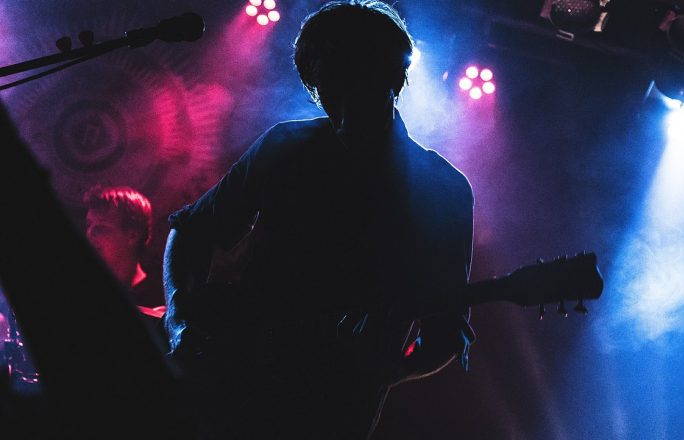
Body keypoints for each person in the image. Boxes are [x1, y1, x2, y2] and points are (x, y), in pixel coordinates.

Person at [163, 1, 475, 438]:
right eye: (325, 82)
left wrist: (381, 371)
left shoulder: (442, 189)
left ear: (393, 74)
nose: (337, 98)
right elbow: (191, 230)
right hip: (226, 393)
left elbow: (443, 335)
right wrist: (179, 323)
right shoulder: (286, 146)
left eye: (353, 76)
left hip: (331, 417)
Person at [84, 186, 165, 313]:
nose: (90, 233)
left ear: (132, 236)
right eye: (89, 224)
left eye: (101, 226)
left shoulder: (163, 297)